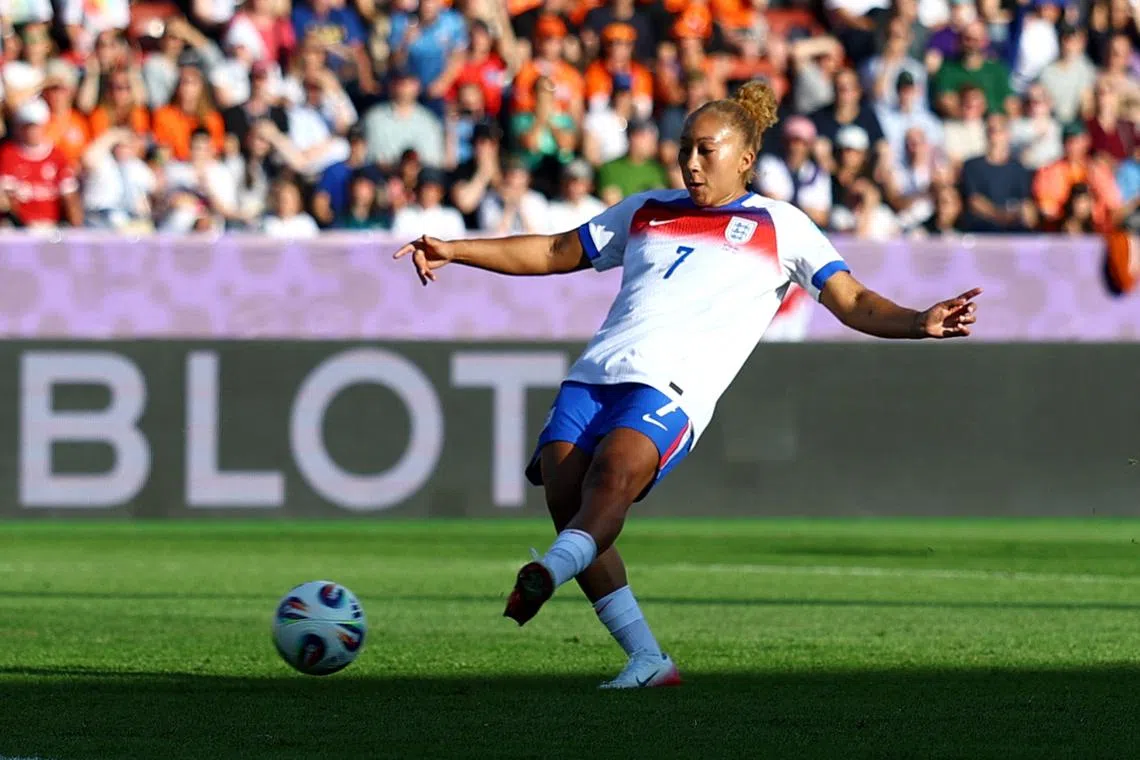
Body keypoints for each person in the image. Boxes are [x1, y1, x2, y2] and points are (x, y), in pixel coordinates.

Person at [393, 81, 982, 690]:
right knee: (567, 501)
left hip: (672, 388)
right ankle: (648, 660)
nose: (691, 163)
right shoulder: (648, 209)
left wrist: (918, 321)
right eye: (685, 150)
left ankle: (546, 572)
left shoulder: (781, 225)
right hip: (595, 374)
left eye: (707, 150)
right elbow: (553, 249)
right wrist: (456, 248)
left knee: (613, 479)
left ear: (745, 158)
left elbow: (851, 299)